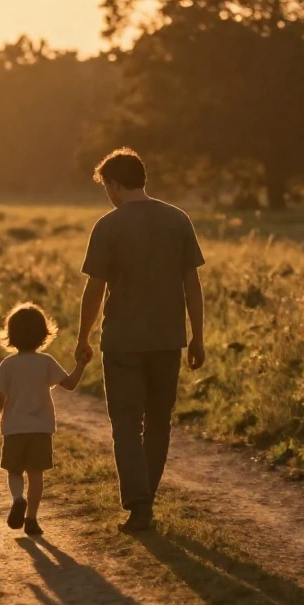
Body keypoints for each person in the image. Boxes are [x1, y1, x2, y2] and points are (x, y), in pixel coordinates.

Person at [74, 148, 206, 533]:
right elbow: (192, 286)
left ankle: (139, 506)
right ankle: (146, 499)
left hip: (122, 342)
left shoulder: (109, 226)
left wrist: (83, 336)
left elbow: (94, 289)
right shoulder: (178, 220)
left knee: (127, 424)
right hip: (168, 339)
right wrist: (197, 337)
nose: (108, 195)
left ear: (115, 184)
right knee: (159, 422)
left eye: (107, 187)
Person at [0, 302, 89, 537]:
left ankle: (17, 498)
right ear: (44, 335)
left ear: (10, 335)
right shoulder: (46, 362)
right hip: (41, 429)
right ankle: (31, 518)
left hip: (14, 429)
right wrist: (81, 364)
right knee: (36, 475)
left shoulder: (8, 365)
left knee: (14, 471)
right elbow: (71, 385)